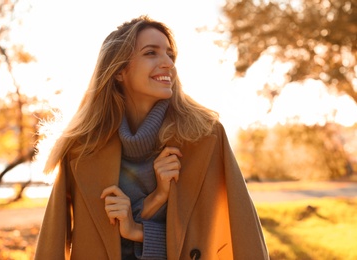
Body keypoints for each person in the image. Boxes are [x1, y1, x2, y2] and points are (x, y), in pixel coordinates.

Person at [34, 15, 269, 260]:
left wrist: (138, 230)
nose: (168, 63)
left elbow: (233, 235)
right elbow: (54, 245)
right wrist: (156, 199)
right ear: (119, 71)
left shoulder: (205, 138)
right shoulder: (81, 149)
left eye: (170, 54)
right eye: (151, 53)